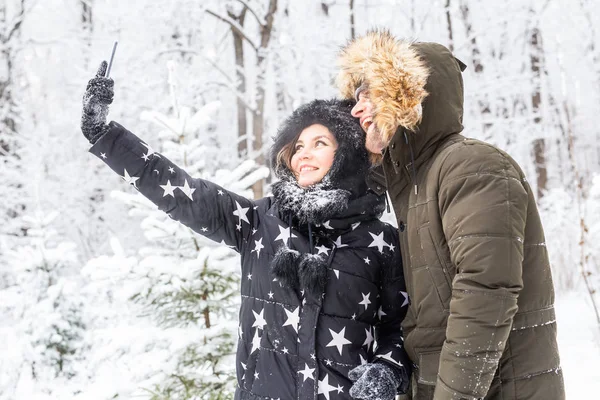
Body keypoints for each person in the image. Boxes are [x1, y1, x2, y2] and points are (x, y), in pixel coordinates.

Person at [80, 61, 412, 400]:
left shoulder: (380, 241)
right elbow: (182, 192)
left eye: (319, 144)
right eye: (297, 146)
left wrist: (388, 370)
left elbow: (401, 328)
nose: (304, 155)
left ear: (347, 154)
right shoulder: (260, 221)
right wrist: (104, 135)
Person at [336, 29, 565, 400]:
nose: (356, 109)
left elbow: (485, 292)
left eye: (369, 96)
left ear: (406, 97)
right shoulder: (413, 183)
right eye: (356, 98)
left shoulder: (471, 165)